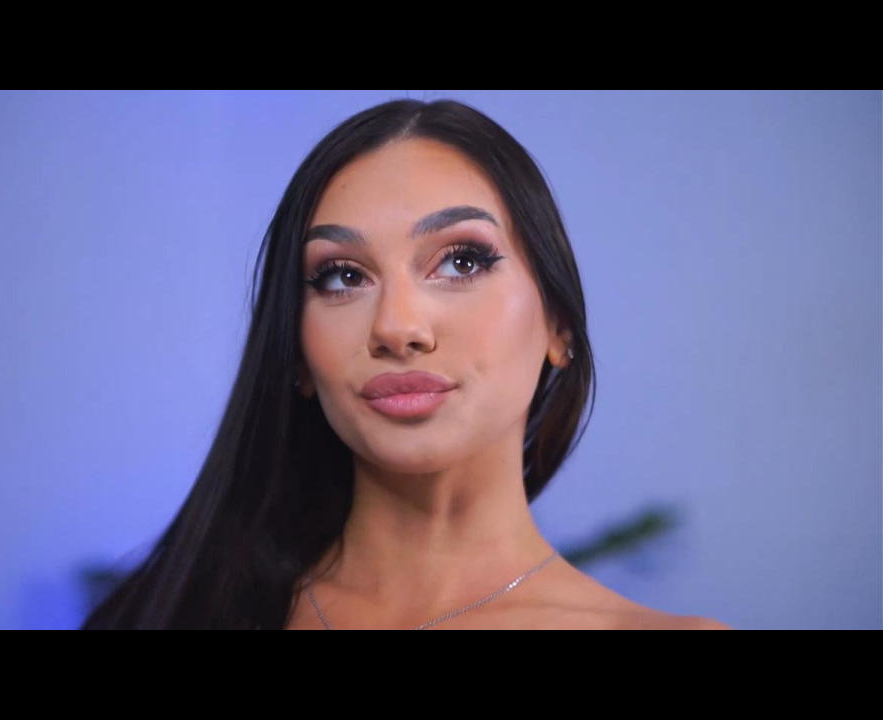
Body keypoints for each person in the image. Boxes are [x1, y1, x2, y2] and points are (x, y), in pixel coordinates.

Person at [81, 98, 731, 630]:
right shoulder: (165, 616)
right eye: (341, 276)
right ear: (297, 355)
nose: (397, 327)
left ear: (559, 326)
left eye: (463, 261)